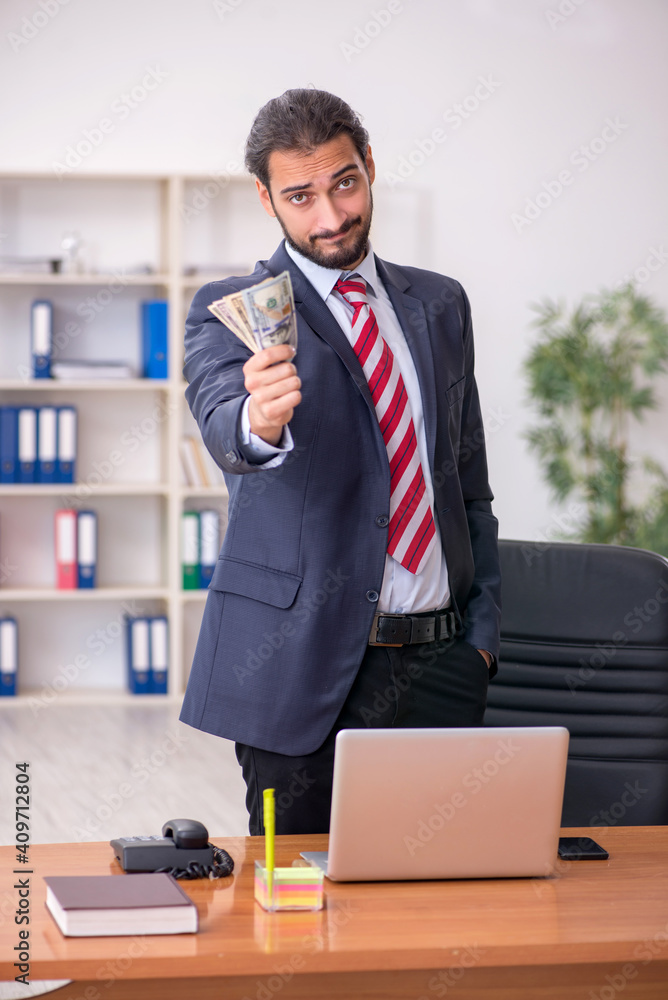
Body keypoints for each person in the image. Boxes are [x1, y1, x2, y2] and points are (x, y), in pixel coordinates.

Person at [180, 88, 501, 835]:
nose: (330, 217)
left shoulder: (440, 305)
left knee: (445, 888)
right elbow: (226, 424)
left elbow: (469, 486)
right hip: (300, 673)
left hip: (443, 668)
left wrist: (480, 641)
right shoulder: (231, 309)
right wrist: (260, 419)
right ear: (266, 198)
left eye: (344, 184)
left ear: (369, 166)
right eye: (300, 196)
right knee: (300, 898)